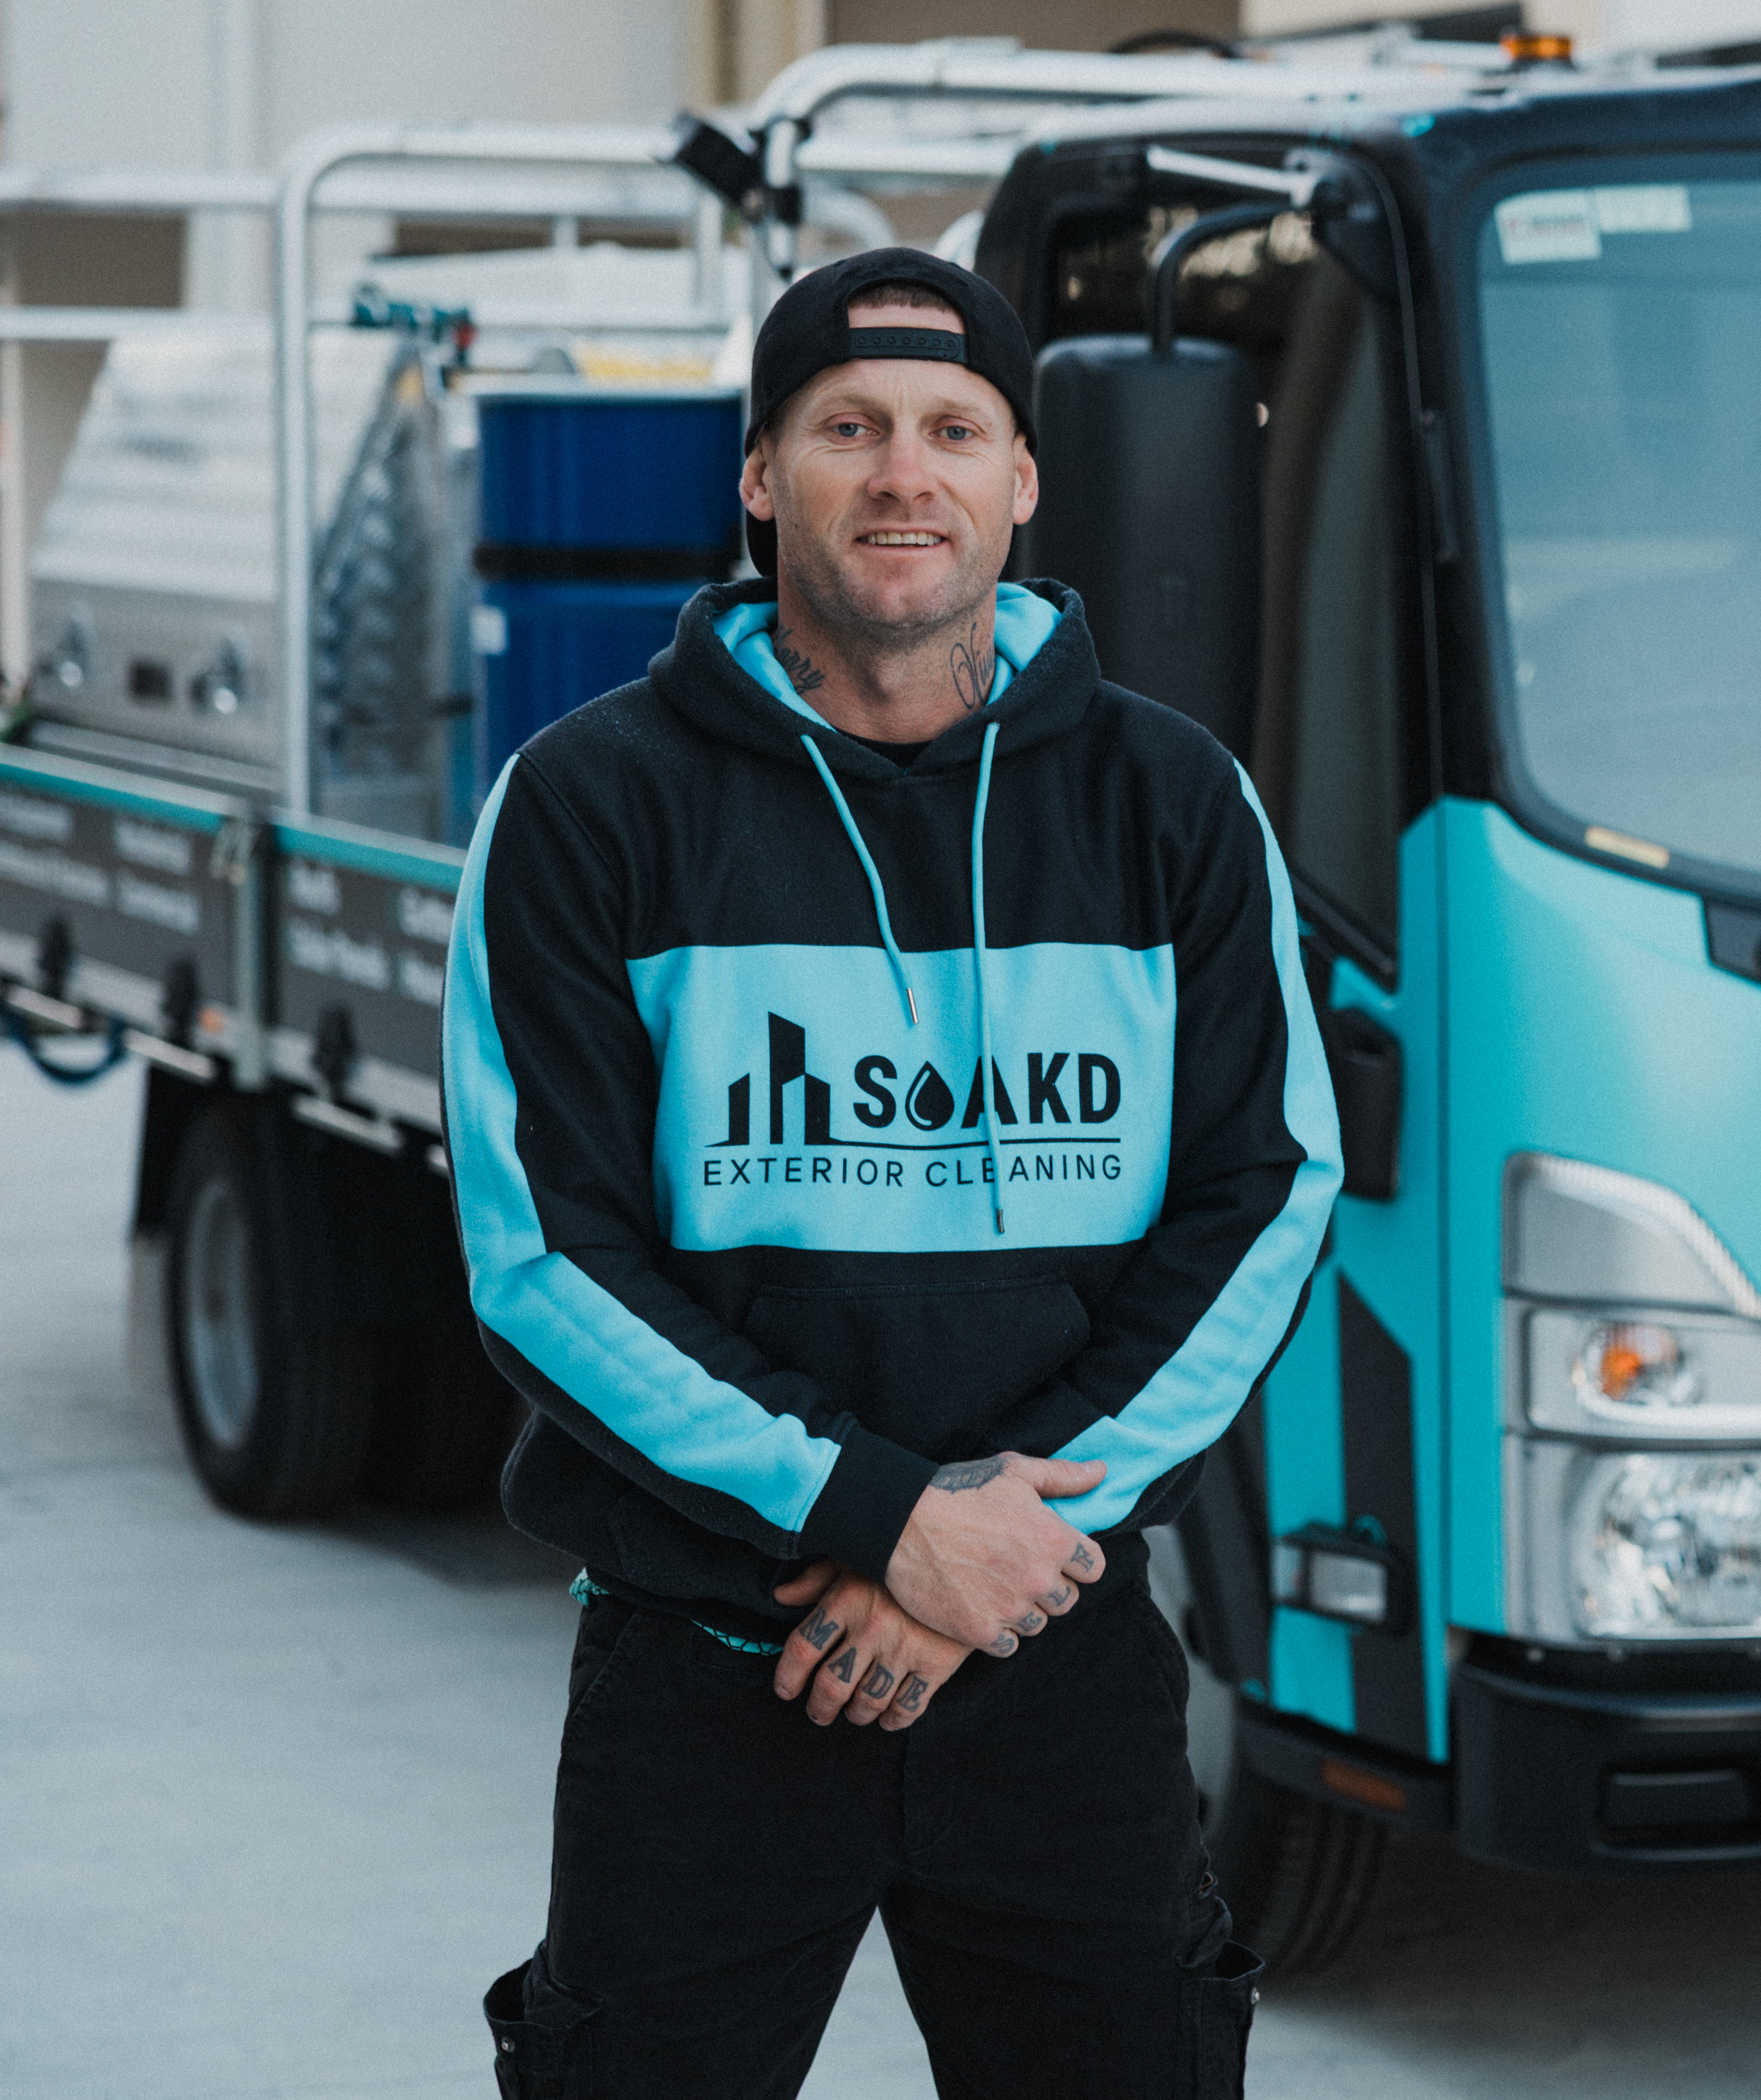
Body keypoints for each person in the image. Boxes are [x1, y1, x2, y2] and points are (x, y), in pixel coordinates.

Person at [447, 245, 1342, 2098]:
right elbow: (548, 1258)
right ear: (762, 475)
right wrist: (883, 1518)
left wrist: (987, 1551)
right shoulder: (588, 804)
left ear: (1025, 479)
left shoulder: (1171, 801)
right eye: (846, 427)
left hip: (1055, 1647)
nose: (902, 472)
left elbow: (1265, 1196)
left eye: (953, 428)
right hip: (715, 1664)